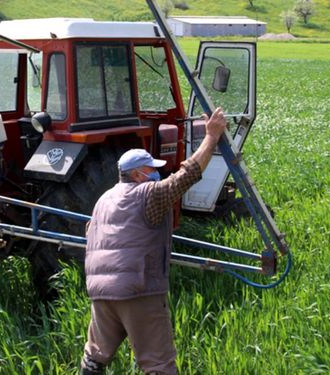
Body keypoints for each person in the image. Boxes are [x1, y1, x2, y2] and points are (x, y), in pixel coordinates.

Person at [80, 107, 228, 375]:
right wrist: (211, 137)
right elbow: (188, 174)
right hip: (138, 290)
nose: (156, 173)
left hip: (100, 293)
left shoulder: (103, 200)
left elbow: (90, 233)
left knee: (95, 357)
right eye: (152, 169)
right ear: (138, 174)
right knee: (159, 364)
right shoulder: (148, 194)